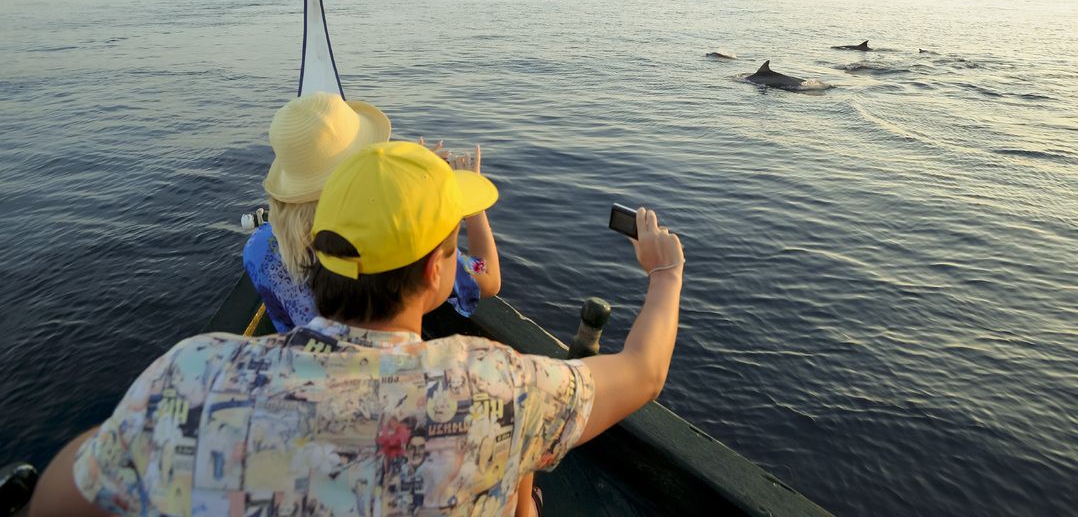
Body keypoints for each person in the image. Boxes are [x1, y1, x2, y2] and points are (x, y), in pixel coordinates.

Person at [32, 141, 685, 516]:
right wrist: (665, 276)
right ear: (437, 273)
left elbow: (55, 503)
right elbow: (643, 371)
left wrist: (143, 421)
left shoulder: (191, 374)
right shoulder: (498, 387)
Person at [242, 92, 501, 331]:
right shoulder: (391, 245)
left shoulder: (259, 247)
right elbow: (488, 279)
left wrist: (397, 181)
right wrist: (464, 205)